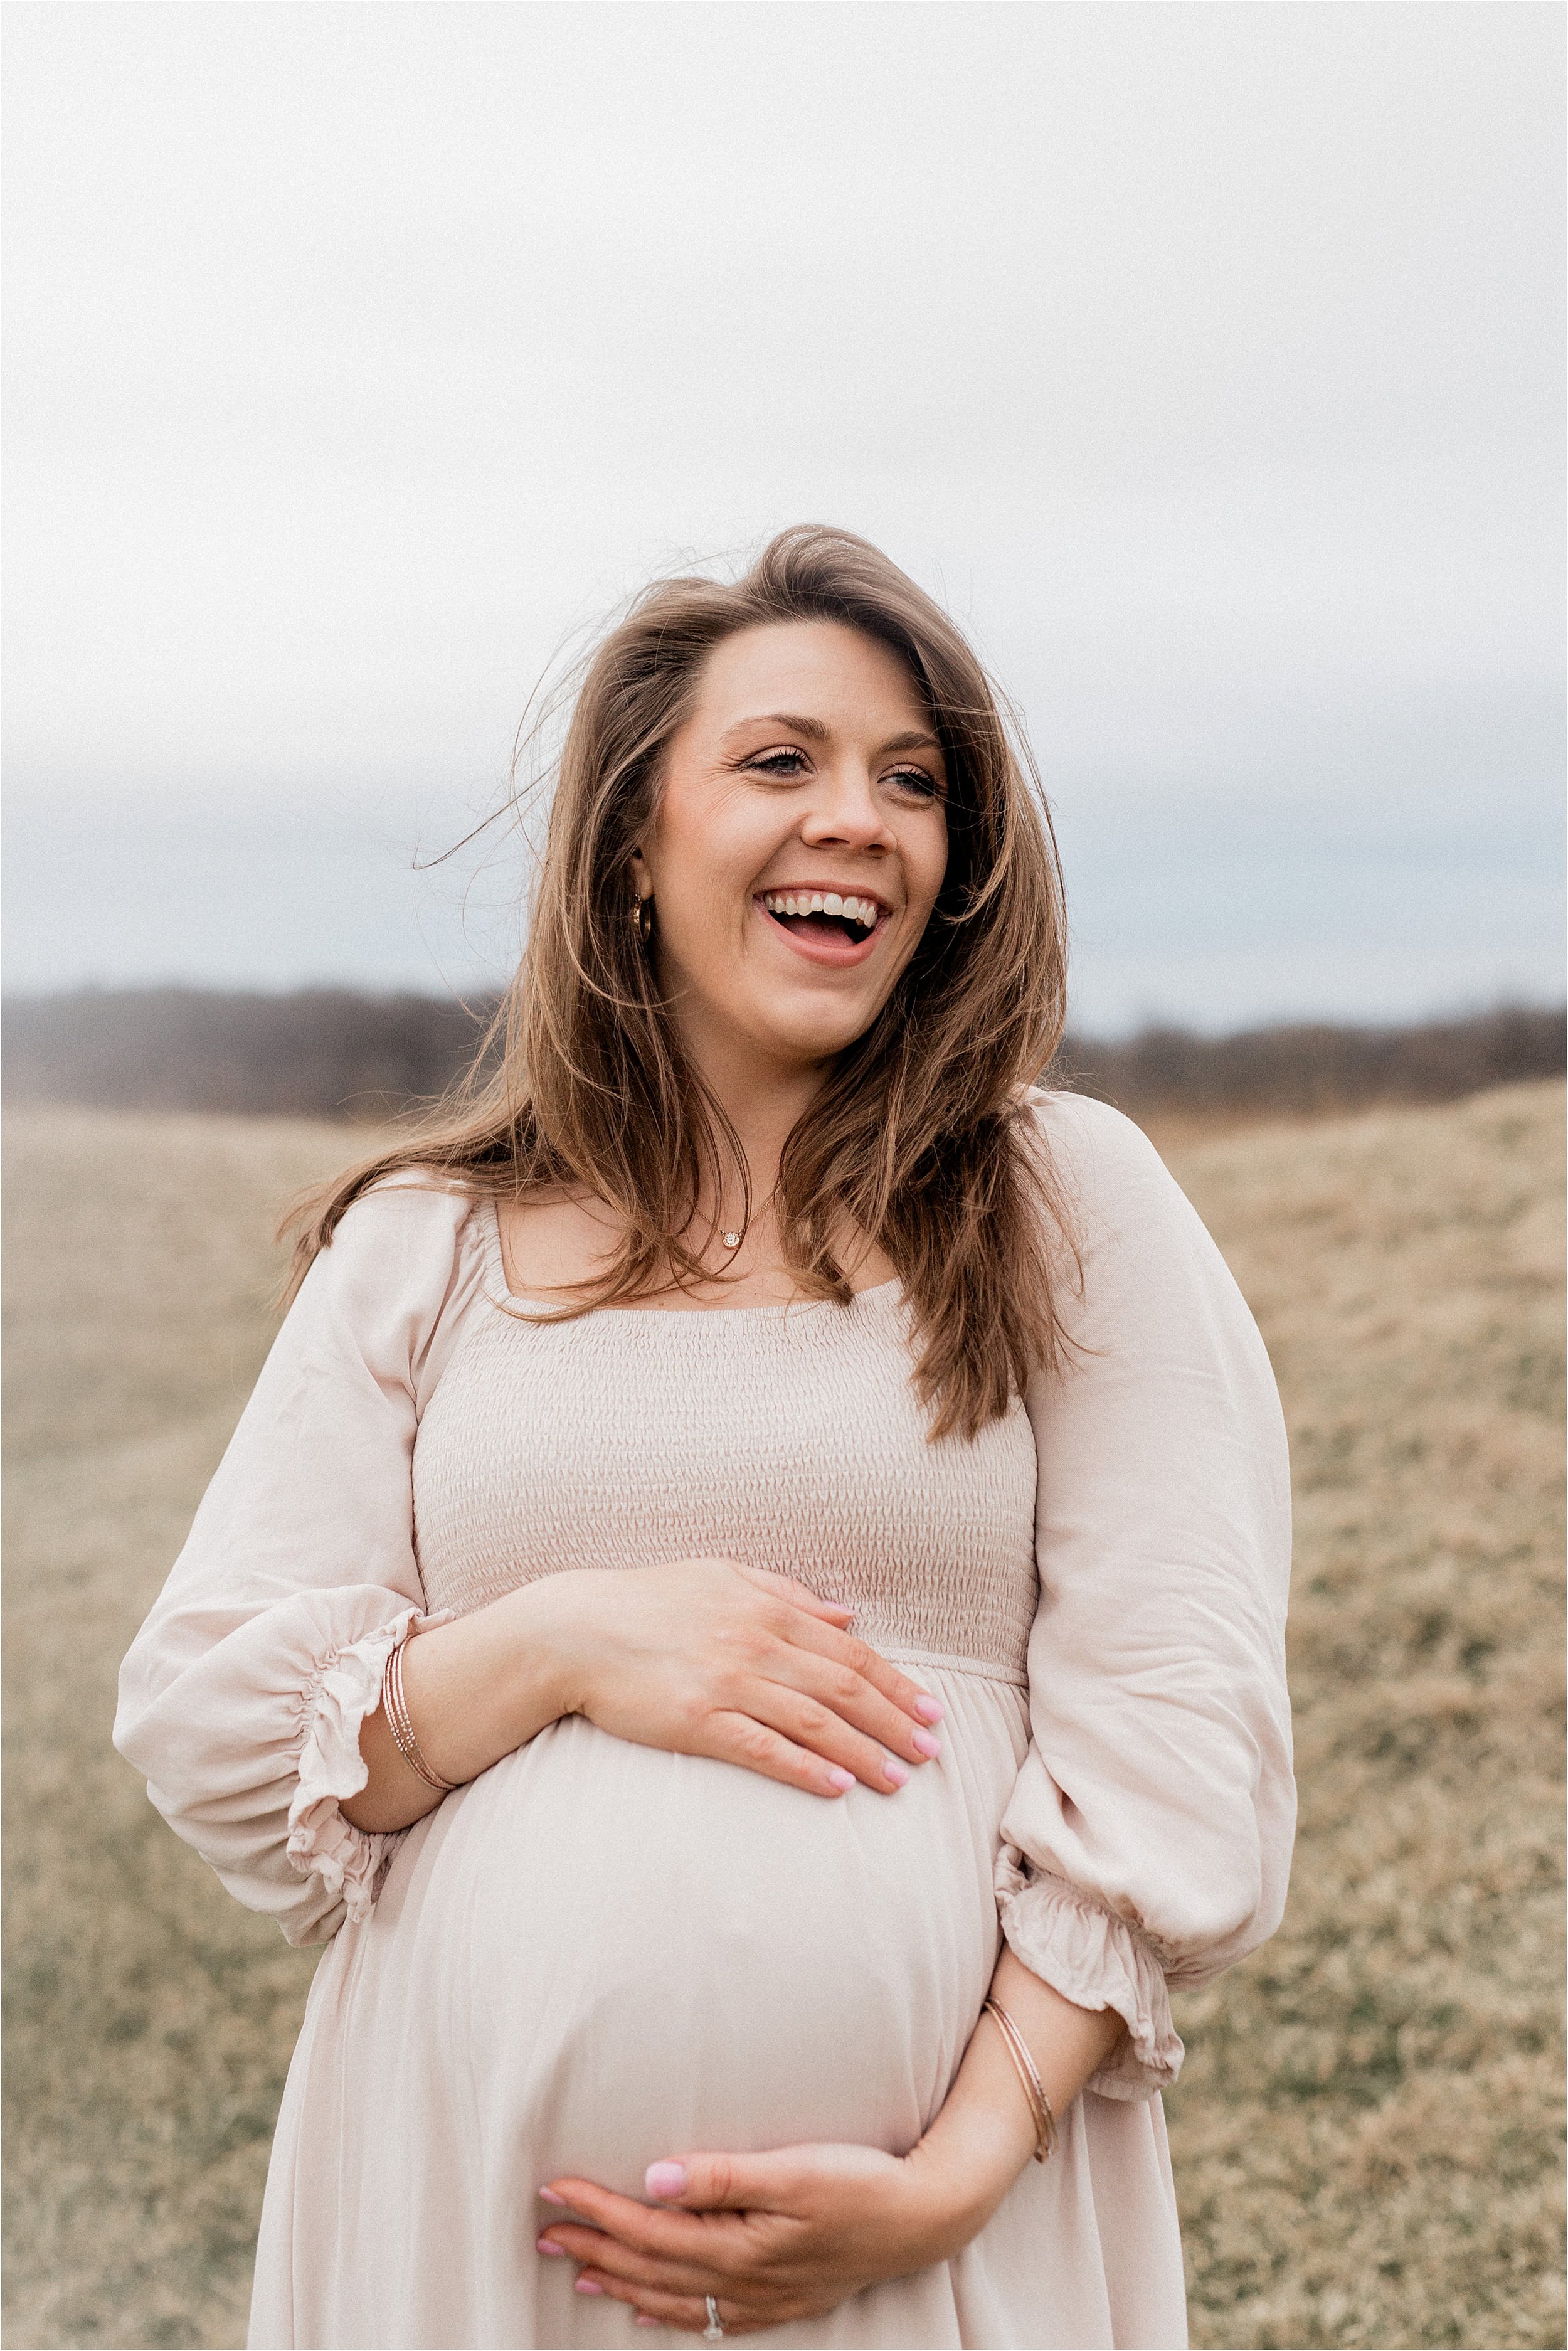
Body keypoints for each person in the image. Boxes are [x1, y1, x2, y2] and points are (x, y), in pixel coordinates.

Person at [115, 526, 1294, 2350]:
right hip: (469, 2224)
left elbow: (1176, 1720)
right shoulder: (427, 1240)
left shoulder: (1060, 1197)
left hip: (939, 2242)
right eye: (779, 762)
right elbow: (205, 1713)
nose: (861, 818)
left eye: (914, 782)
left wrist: (958, 2168)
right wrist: (560, 1644)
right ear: (631, 852)